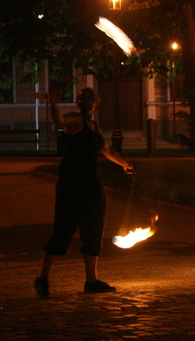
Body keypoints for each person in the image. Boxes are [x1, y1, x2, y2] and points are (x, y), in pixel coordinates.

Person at [34, 87, 135, 299]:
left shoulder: (94, 126)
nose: (89, 103)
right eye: (86, 100)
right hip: (71, 184)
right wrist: (54, 102)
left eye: (91, 100)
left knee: (93, 230)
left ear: (96, 104)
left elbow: (106, 150)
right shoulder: (75, 119)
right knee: (64, 230)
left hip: (91, 184)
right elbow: (60, 120)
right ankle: (42, 278)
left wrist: (124, 164)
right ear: (82, 103)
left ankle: (91, 281)